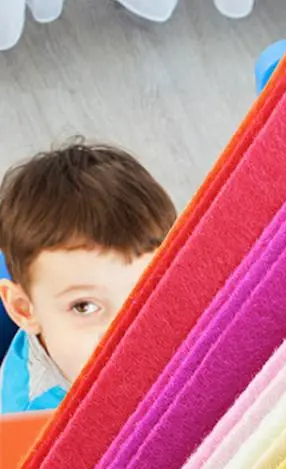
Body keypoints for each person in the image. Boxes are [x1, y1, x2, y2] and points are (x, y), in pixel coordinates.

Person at [0, 140, 176, 413]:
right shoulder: (35, 421)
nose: (127, 333)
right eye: (84, 306)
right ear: (24, 309)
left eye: (147, 294)